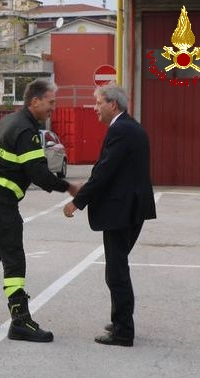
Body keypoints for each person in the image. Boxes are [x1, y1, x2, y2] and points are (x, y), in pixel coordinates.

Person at [0, 79, 79, 343]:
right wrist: (68, 187)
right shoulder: (26, 130)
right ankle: (20, 320)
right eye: (51, 102)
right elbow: (39, 174)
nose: (53, 108)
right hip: (1, 198)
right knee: (14, 257)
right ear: (35, 101)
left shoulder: (6, 122)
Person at [64, 84, 156, 347]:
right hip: (130, 209)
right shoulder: (129, 127)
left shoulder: (121, 130)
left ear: (112, 105)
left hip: (122, 211)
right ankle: (120, 320)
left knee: (116, 272)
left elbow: (105, 171)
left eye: (98, 103)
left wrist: (77, 202)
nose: (95, 108)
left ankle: (123, 331)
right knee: (118, 269)